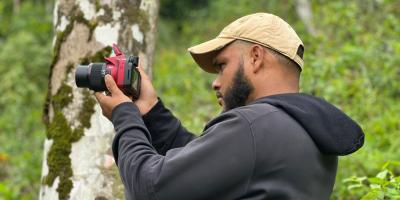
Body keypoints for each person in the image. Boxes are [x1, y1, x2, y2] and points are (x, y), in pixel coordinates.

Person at [95, 13, 364, 200]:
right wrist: (152, 112)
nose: (216, 82)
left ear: (256, 57)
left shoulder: (253, 126)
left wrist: (124, 116)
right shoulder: (305, 132)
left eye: (221, 65)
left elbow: (149, 190)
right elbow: (206, 163)